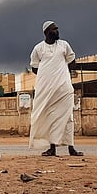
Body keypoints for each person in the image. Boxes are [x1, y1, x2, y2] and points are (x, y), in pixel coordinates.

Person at [29, 20, 83, 157]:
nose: (57, 31)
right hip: (46, 90)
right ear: (47, 32)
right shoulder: (38, 49)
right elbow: (35, 67)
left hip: (64, 88)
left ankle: (71, 148)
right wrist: (48, 76)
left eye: (57, 29)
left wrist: (62, 75)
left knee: (68, 117)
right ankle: (52, 148)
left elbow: (72, 62)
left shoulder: (64, 45)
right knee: (49, 117)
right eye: (54, 29)